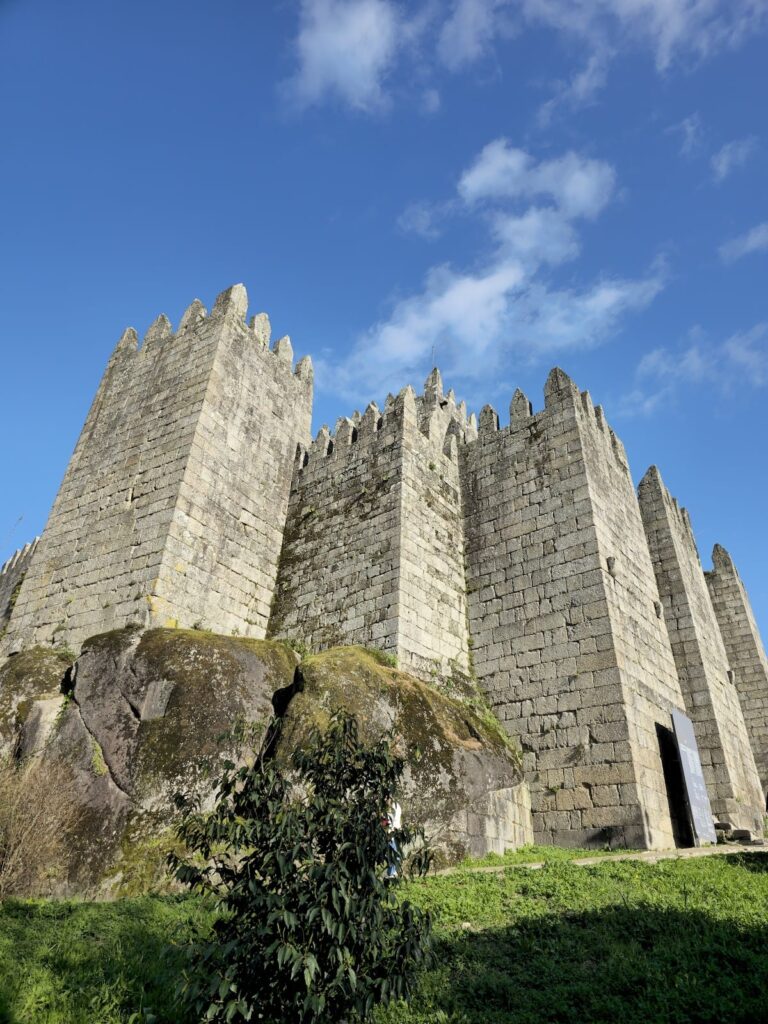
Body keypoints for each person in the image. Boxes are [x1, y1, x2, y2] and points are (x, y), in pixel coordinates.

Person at [384, 800, 402, 879]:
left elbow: (386, 821)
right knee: (394, 852)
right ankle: (392, 872)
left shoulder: (392, 808)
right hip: (395, 831)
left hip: (391, 832)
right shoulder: (396, 805)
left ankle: (392, 873)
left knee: (392, 853)